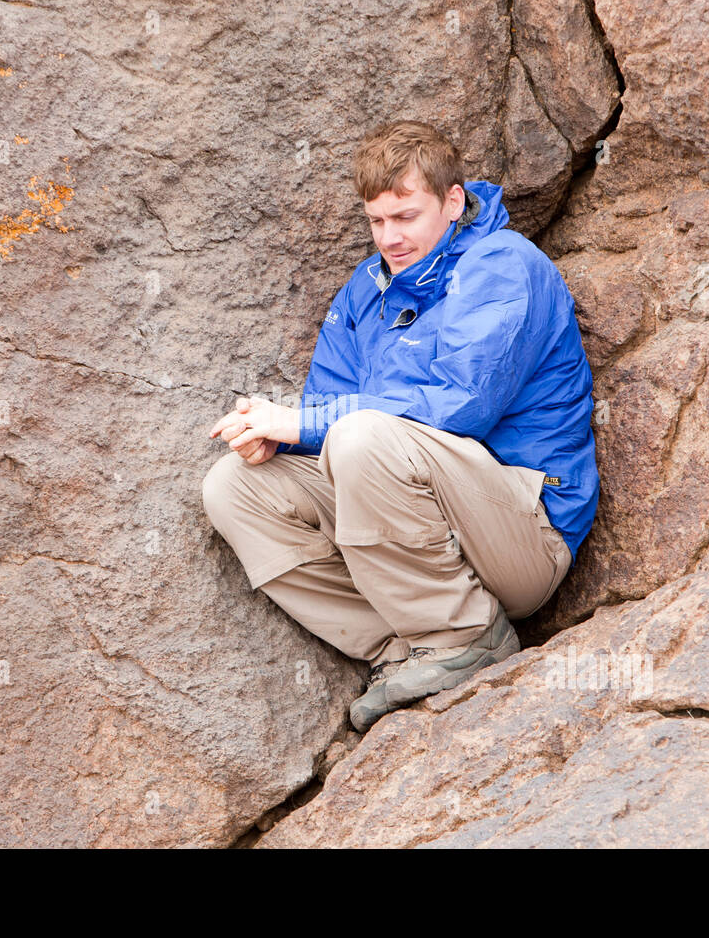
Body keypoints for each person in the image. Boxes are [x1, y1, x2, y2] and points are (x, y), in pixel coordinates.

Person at [202, 120, 599, 732]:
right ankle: (407, 650)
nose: (391, 237)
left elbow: (459, 407)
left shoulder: (503, 266)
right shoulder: (365, 290)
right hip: (417, 520)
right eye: (377, 221)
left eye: (407, 217)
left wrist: (304, 423)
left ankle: (466, 636)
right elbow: (326, 415)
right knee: (233, 487)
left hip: (524, 531)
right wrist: (278, 436)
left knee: (361, 436)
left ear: (453, 201)